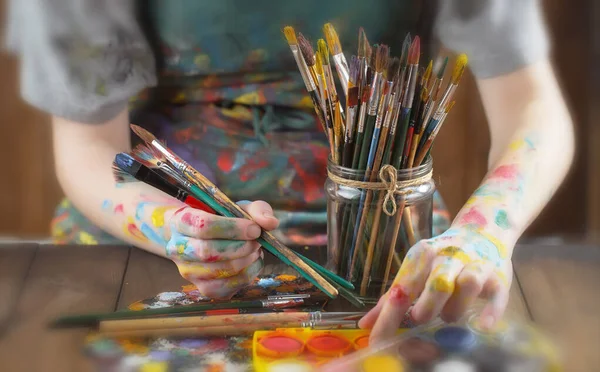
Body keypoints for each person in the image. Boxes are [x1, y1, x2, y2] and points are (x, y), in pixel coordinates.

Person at [7, 0, 573, 342]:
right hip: (153, 243)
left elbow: (532, 103)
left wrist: (483, 233)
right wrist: (173, 227)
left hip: (390, 252)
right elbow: (88, 143)